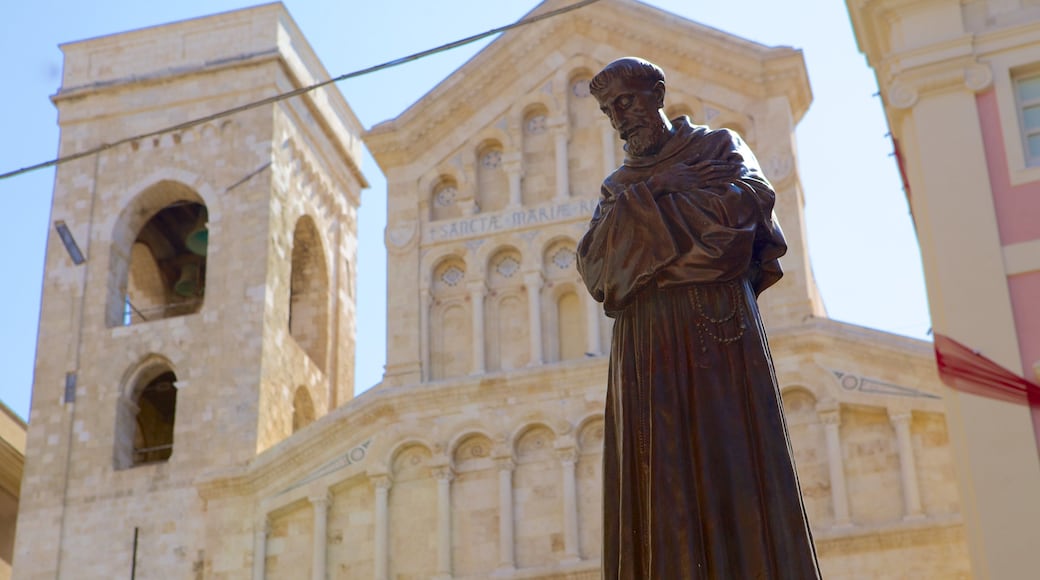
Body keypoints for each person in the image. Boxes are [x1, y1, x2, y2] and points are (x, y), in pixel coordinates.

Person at [576, 57, 821, 579]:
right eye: (607, 109)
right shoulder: (618, 185)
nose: (619, 117)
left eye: (627, 101)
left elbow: (735, 228)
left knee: (732, 464)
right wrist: (664, 188)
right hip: (647, 348)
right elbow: (599, 271)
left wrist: (644, 242)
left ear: (657, 94)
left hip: (718, 334)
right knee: (661, 480)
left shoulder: (718, 149)